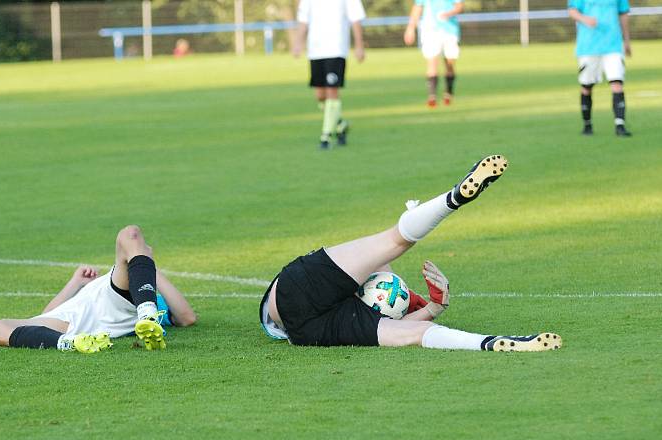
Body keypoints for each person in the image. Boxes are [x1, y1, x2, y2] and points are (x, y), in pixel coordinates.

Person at [259, 155, 562, 351]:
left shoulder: (361, 292)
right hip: (316, 327)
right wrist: (430, 307)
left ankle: (453, 198)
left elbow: (387, 261)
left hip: (292, 306)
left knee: (395, 242)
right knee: (416, 322)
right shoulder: (364, 307)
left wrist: (429, 306)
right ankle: (484, 342)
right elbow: (408, 326)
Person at [0, 226, 197, 353]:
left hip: (114, 303)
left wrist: (149, 268)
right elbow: (47, 315)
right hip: (68, 327)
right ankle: (67, 344)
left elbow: (186, 317)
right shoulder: (87, 289)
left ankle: (147, 315)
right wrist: (74, 283)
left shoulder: (145, 292)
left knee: (130, 234)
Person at [292, 0, 366, 150]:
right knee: (320, 95)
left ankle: (326, 136)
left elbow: (355, 18)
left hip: (336, 49)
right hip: (316, 51)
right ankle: (340, 124)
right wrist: (298, 42)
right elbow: (303, 20)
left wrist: (359, 45)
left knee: (332, 91)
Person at [568, 0, 632, 136]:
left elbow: (624, 15)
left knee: (617, 83)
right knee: (586, 86)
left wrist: (626, 41)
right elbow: (572, 11)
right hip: (588, 46)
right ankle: (587, 125)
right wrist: (585, 19)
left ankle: (620, 125)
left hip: (613, 45)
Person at [404, 0, 464, 108]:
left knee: (449, 64)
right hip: (430, 30)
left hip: (450, 30)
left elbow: (459, 7)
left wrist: (448, 14)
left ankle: (448, 93)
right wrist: (410, 28)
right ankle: (432, 97)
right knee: (432, 62)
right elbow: (417, 8)